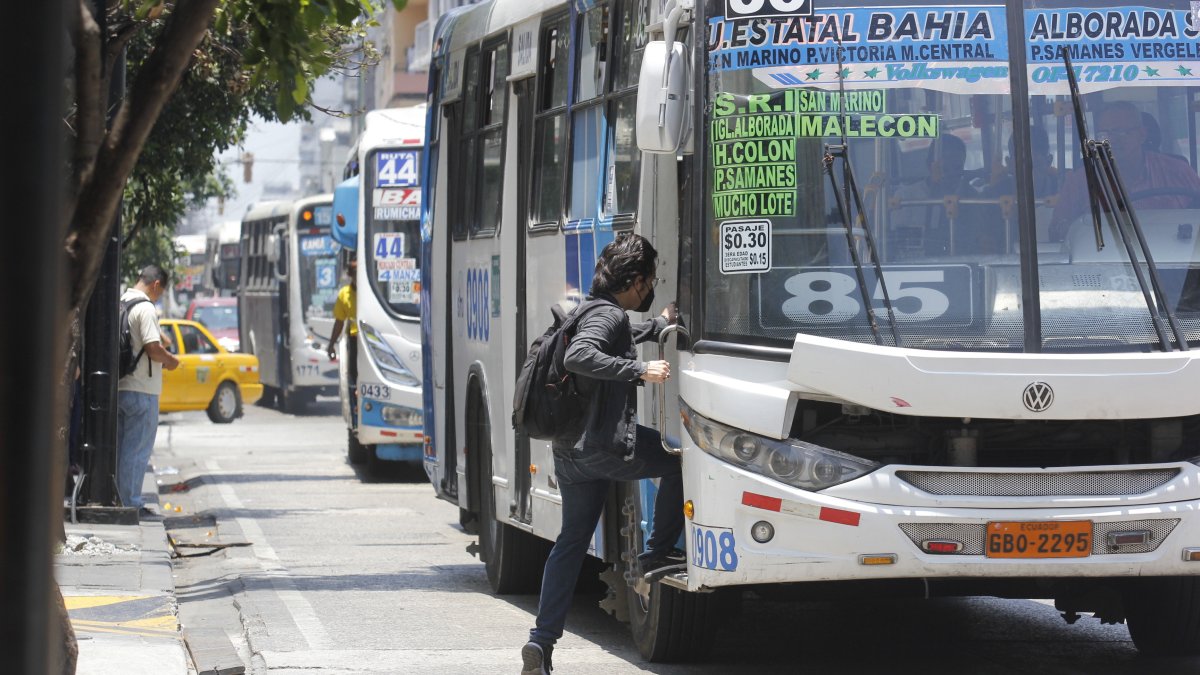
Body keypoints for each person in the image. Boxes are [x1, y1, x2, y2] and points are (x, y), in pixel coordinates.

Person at [522, 233, 683, 675]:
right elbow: (580, 356)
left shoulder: (591, 309)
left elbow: (619, 336)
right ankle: (657, 553)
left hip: (569, 451)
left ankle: (541, 642)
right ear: (634, 281)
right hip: (601, 446)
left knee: (571, 541)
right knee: (679, 463)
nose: (651, 288)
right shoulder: (608, 316)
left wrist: (659, 324)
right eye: (650, 280)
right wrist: (640, 369)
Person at [1050, 101, 1200, 241]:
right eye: (1104, 134)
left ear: (1142, 135)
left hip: (1173, 257)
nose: (1111, 140)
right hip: (1103, 258)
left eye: (1121, 132)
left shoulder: (1179, 172)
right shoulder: (1080, 181)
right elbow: (1057, 234)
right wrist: (1079, 229)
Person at [116, 265, 179, 515]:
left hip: (120, 386)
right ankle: (130, 503)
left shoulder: (122, 303)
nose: (159, 297)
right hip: (143, 389)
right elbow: (153, 348)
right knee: (137, 450)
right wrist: (171, 361)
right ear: (156, 285)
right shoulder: (146, 308)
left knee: (122, 449)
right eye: (160, 293)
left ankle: (121, 499)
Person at [328, 256, 358, 410]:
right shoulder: (344, 294)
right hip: (355, 339)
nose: (358, 276)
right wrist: (331, 345)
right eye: (355, 272)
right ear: (350, 275)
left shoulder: (376, 291)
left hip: (374, 338)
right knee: (353, 374)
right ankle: (355, 405)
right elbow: (339, 322)